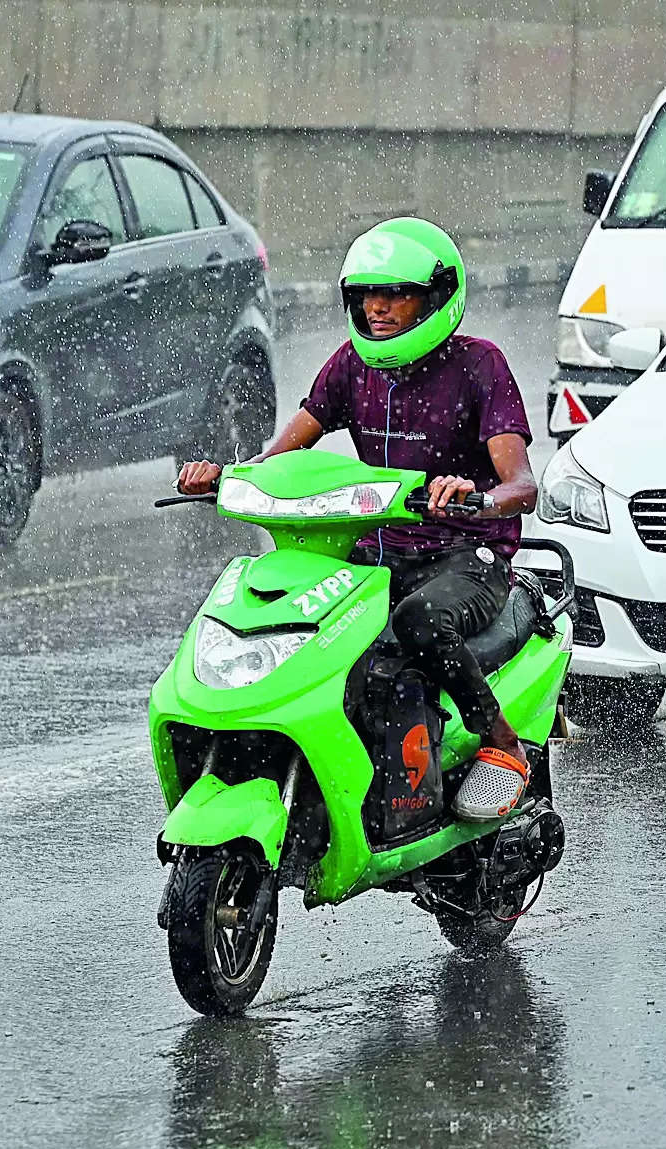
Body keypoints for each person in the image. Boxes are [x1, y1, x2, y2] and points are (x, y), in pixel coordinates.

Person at [176, 217, 539, 775]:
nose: (377, 308)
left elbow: (521, 486)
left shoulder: (479, 365)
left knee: (420, 623)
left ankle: (499, 736)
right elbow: (278, 460)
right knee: (298, 628)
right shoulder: (351, 366)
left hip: (468, 556)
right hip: (377, 554)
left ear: (436, 298)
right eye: (367, 294)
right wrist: (223, 475)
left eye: (396, 294)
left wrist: (476, 496)